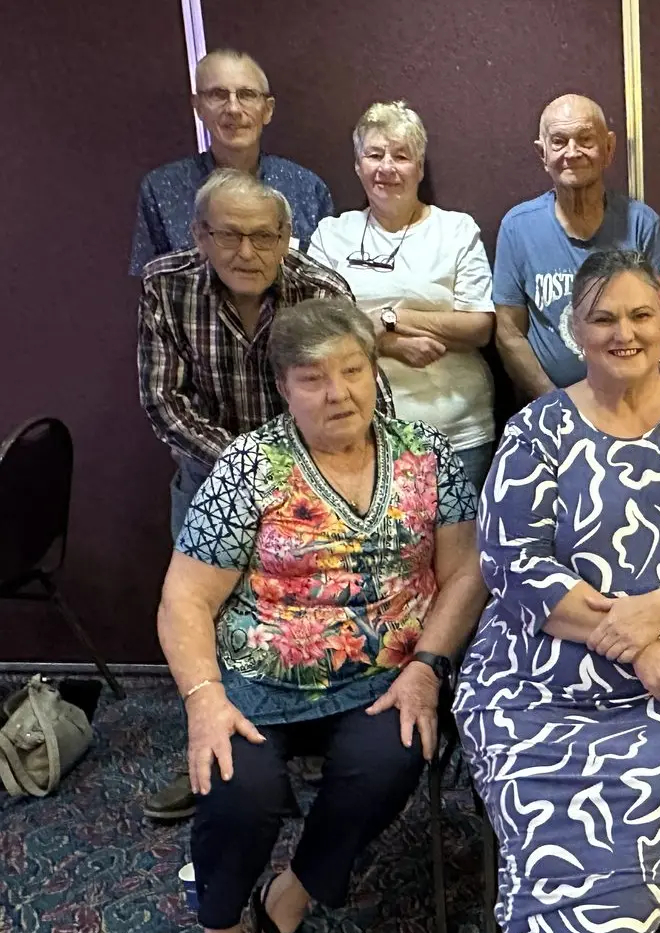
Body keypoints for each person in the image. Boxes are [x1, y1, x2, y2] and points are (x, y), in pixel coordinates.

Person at [455, 250, 660, 933]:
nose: (622, 332)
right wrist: (636, 648)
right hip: (539, 673)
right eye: (602, 318)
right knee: (535, 791)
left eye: (640, 314)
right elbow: (511, 561)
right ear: (575, 329)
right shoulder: (536, 430)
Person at [157, 298, 485, 933]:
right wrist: (203, 699)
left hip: (388, 675)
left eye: (353, 370)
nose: (339, 393)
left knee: (392, 758)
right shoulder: (248, 469)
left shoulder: (428, 455)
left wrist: (426, 668)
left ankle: (294, 891)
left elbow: (465, 573)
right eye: (313, 377)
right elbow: (185, 598)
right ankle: (223, 918)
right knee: (235, 789)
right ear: (284, 387)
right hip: (259, 678)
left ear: (374, 372)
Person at [137, 169, 392, 822]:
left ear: (286, 236)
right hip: (208, 478)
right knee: (208, 623)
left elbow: (364, 389)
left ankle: (300, 745)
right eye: (229, 234)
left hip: (318, 489)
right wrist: (250, 470)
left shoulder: (319, 286)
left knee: (307, 616)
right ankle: (217, 749)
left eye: (263, 236)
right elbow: (163, 399)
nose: (246, 252)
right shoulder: (167, 286)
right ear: (200, 234)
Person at [308, 101, 497, 491]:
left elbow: (479, 326)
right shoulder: (331, 235)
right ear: (358, 165)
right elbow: (317, 332)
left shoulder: (457, 230)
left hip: (459, 431)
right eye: (374, 155)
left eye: (401, 156)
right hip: (361, 432)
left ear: (420, 168)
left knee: (460, 550)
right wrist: (390, 345)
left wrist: (392, 318)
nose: (387, 168)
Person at [492, 94, 660, 400]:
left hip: (631, 403)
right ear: (542, 153)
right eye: (559, 141)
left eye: (585, 140)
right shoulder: (517, 227)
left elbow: (658, 326)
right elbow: (509, 334)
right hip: (547, 407)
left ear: (609, 148)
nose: (572, 153)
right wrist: (557, 404)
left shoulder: (642, 224)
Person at [131, 49, 332, 274]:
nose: (234, 108)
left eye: (247, 94)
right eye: (218, 94)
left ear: (268, 110)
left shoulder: (307, 188)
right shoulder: (161, 189)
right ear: (198, 106)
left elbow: (325, 282)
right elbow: (151, 284)